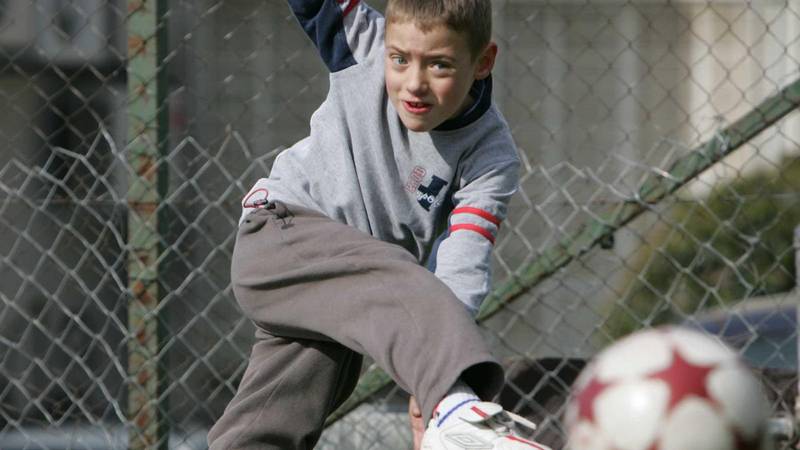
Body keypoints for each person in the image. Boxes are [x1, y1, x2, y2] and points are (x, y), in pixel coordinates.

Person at [207, 0, 552, 449]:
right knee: (393, 271)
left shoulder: (489, 156)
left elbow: (463, 262)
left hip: (346, 302)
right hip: (281, 237)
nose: (414, 84)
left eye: (440, 65)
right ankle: (457, 414)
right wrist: (448, 388)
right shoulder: (363, 44)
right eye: (400, 59)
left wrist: (432, 377)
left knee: (274, 419)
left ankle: (450, 407)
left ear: (483, 62)